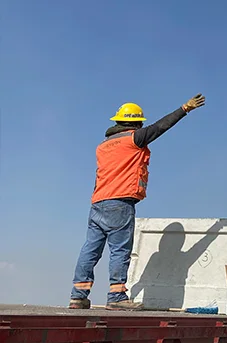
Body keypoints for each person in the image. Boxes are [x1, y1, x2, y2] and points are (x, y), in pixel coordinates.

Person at [68, 94, 206, 310]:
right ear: (135, 123)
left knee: (90, 249)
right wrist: (184, 108)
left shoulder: (102, 146)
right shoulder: (133, 139)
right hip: (119, 203)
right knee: (120, 249)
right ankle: (116, 297)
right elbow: (160, 127)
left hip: (97, 203)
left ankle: (78, 295)